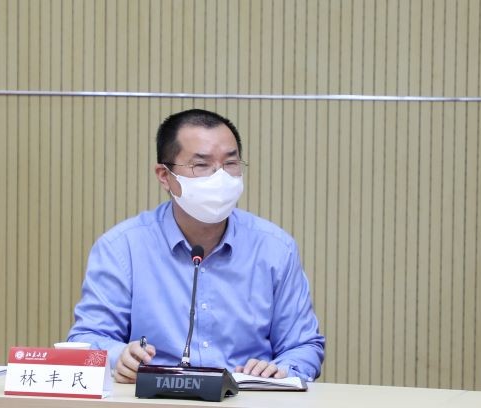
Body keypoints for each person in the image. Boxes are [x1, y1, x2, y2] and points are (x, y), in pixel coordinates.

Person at [67, 108, 325, 383]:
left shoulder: (275, 248)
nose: (220, 177)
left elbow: (304, 346)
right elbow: (87, 338)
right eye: (201, 165)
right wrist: (120, 357)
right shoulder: (122, 248)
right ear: (164, 175)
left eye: (230, 163)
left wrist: (281, 370)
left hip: (246, 398)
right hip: (155, 398)